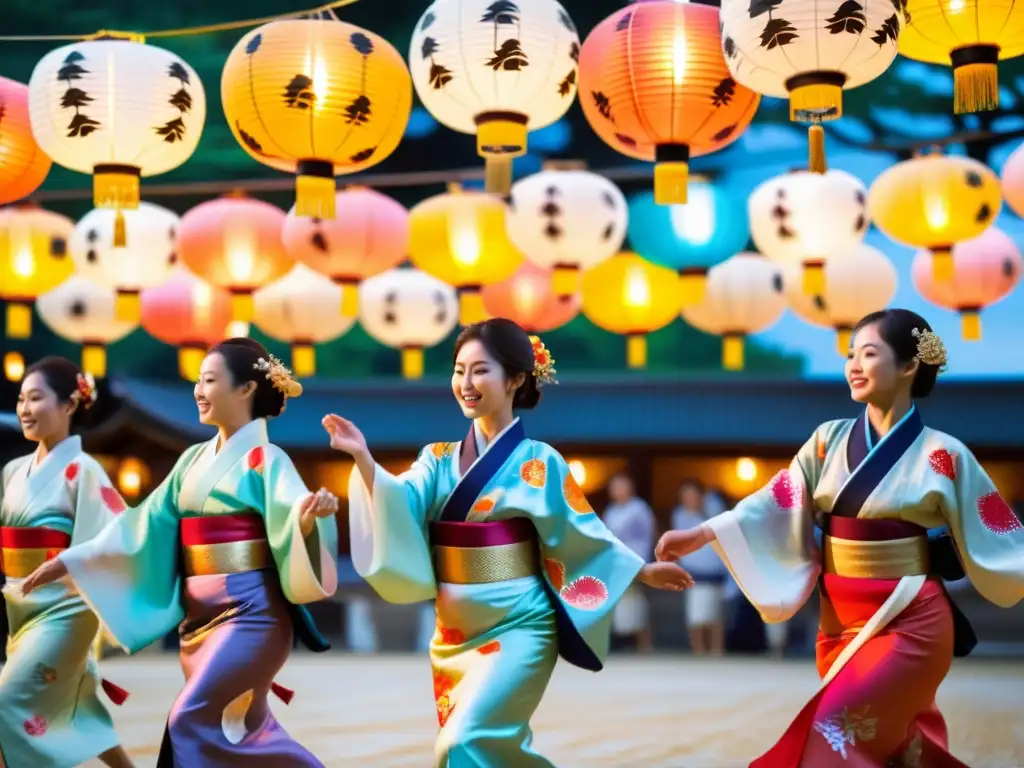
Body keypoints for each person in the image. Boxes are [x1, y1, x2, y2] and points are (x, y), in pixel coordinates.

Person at [656, 309, 1024, 767]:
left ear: (909, 365)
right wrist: (704, 532)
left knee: (838, 729)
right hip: (839, 619)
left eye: (868, 354)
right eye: (850, 354)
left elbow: (998, 529)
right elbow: (778, 499)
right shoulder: (827, 440)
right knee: (896, 745)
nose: (853, 364)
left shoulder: (943, 453)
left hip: (911, 615)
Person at [325, 318, 692, 767]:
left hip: (521, 624)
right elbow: (400, 499)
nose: (466, 383)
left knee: (463, 741)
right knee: (479, 751)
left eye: (480, 370)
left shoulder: (540, 461)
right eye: (459, 370)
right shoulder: (437, 458)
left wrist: (641, 569)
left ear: (516, 379)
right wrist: (364, 460)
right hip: (454, 632)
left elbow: (581, 531)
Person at [20, 339, 340, 767]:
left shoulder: (266, 459)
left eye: (209, 380)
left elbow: (290, 507)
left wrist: (306, 518)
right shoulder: (191, 460)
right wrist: (72, 559)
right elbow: (142, 523)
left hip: (253, 615)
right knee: (243, 728)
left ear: (245, 390)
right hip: (199, 621)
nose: (198, 391)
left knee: (188, 717)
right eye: (197, 381)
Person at [0, 357, 133, 768]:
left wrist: (67, 561)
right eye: (21, 399)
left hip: (67, 607)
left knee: (8, 704)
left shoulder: (85, 471)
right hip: (21, 605)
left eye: (36, 398)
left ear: (70, 405)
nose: (24, 408)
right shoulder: (12, 471)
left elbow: (121, 535)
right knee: (76, 711)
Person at [670, 479, 727, 656]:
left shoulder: (713, 510)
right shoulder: (679, 515)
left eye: (692, 494)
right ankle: (698, 650)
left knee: (715, 614)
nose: (689, 498)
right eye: (685, 495)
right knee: (695, 616)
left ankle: (717, 650)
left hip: (715, 571)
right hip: (692, 572)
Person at [602, 472, 657, 651]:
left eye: (622, 486)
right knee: (620, 603)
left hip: (636, 559)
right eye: (615, 487)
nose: (618, 490)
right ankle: (622, 644)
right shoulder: (610, 511)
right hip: (617, 561)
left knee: (639, 601)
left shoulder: (640, 508)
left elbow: (650, 534)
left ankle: (645, 644)